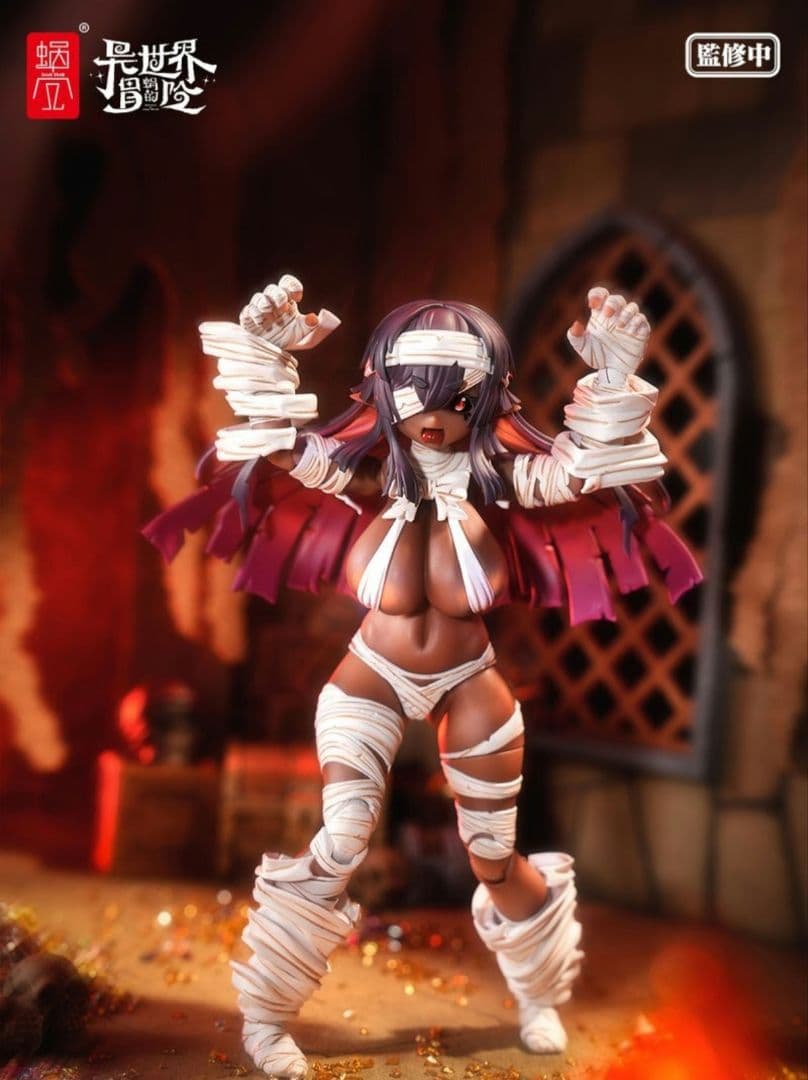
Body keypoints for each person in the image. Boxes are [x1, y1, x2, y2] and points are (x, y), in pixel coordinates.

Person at [145, 276, 700, 1078]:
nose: (434, 414)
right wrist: (262, 352)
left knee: (493, 855)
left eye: (456, 396)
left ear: (486, 396)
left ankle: (538, 992)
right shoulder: (367, 476)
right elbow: (279, 446)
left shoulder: (502, 482)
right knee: (341, 839)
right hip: (371, 674)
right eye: (414, 391)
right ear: (384, 388)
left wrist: (615, 378)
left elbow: (581, 475)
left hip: (470, 678)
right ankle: (266, 1017)